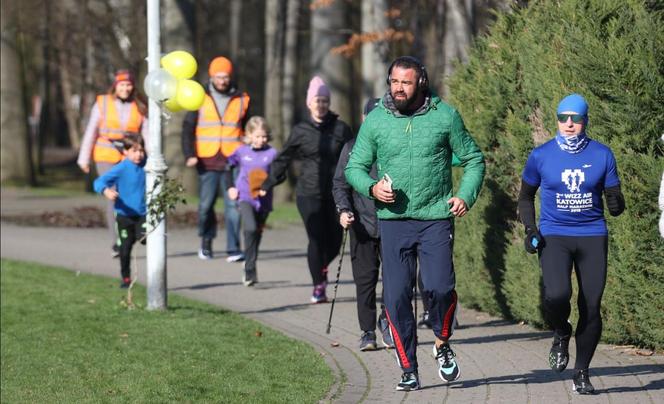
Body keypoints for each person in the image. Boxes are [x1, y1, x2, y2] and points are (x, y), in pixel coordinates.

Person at [345, 56, 485, 391]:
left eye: (405, 82)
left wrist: (465, 194)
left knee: (439, 288)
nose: (398, 88)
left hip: (436, 217)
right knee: (395, 298)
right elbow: (355, 167)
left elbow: (473, 159)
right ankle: (409, 367)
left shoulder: (445, 116)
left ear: (420, 82)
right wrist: (372, 187)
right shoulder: (376, 120)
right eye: (394, 81)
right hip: (393, 222)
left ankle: (441, 341)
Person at [518, 93, 625, 395]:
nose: (568, 124)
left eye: (575, 118)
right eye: (563, 118)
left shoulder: (603, 155)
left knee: (591, 306)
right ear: (557, 120)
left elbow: (615, 201)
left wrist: (616, 202)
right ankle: (561, 331)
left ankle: (581, 373)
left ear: (585, 121)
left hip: (592, 235)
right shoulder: (541, 155)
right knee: (557, 295)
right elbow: (525, 197)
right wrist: (530, 230)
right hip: (555, 235)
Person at [260, 76, 353, 303]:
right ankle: (318, 286)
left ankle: (320, 268)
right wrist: (268, 183)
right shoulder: (300, 130)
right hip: (308, 193)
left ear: (328, 103)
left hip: (335, 193)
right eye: (316, 100)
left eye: (324, 100)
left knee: (335, 240)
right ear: (309, 103)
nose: (320, 105)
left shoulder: (341, 129)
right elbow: (284, 158)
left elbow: (355, 157)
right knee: (315, 239)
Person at [332, 98, 394, 351]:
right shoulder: (351, 147)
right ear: (364, 118)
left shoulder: (395, 145)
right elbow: (340, 184)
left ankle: (387, 323)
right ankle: (367, 331)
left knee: (395, 281)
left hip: (392, 224)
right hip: (362, 226)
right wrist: (344, 210)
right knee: (365, 281)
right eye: (372, 116)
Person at [182, 56, 250, 262]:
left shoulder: (242, 98)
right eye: (218, 76)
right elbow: (187, 128)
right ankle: (206, 243)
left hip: (233, 159)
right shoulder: (199, 97)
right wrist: (189, 154)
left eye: (226, 76)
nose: (222, 80)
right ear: (212, 76)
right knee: (205, 205)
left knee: (233, 204)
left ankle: (233, 248)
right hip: (207, 159)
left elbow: (248, 127)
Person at [78, 69, 148, 257]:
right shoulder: (102, 103)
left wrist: (149, 157)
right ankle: (117, 239)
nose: (125, 88)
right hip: (106, 154)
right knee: (113, 196)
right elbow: (91, 130)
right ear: (115, 86)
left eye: (128, 85)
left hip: (130, 156)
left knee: (132, 194)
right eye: (122, 85)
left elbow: (147, 133)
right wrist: (84, 158)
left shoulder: (139, 105)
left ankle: (130, 231)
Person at [225, 116, 278, 286]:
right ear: (248, 135)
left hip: (264, 201)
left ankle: (250, 262)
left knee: (257, 234)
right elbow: (228, 167)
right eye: (257, 136)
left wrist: (268, 184)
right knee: (250, 228)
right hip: (245, 197)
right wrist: (230, 187)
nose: (260, 140)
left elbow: (279, 174)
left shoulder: (272, 154)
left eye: (263, 136)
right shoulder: (241, 152)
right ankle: (249, 269)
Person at [93, 134, 147, 288]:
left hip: (142, 214)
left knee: (145, 238)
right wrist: (106, 191)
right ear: (125, 152)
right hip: (123, 215)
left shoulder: (148, 165)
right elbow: (99, 182)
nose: (138, 155)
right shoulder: (121, 168)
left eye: (141, 151)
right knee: (125, 249)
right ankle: (126, 279)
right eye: (134, 151)